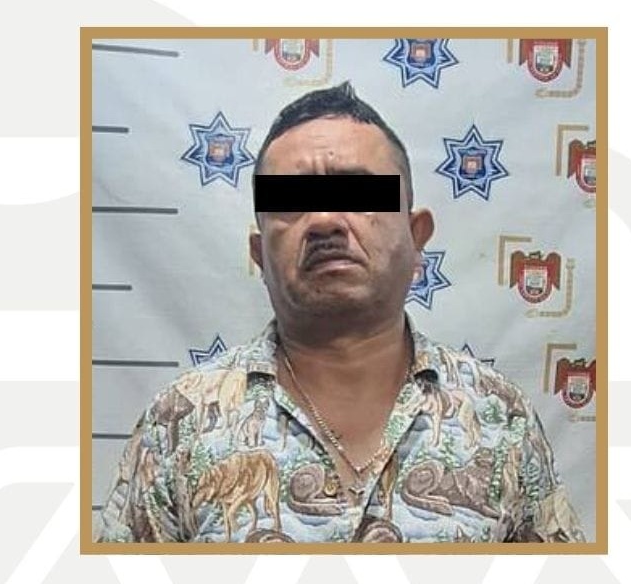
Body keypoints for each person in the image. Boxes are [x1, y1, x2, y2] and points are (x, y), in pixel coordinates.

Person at [97, 81, 586, 544]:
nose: (325, 220)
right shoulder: (178, 424)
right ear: (259, 254)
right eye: (292, 202)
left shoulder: (499, 417)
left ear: (416, 237)